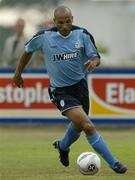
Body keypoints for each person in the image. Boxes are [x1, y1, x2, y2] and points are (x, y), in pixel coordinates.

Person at [12, 6, 127, 174]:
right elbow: (27, 51)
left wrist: (94, 62)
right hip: (60, 91)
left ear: (72, 19)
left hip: (80, 87)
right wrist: (18, 73)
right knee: (87, 125)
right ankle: (114, 163)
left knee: (78, 125)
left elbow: (95, 56)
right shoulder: (44, 37)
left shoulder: (82, 35)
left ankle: (63, 146)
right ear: (54, 22)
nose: (65, 26)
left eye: (68, 22)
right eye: (60, 23)